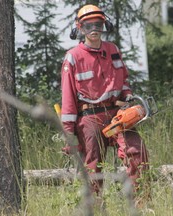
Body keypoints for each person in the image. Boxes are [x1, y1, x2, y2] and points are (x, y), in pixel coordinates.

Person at [60, 4, 149, 196]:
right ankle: (95, 207)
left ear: (104, 25)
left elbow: (123, 80)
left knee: (137, 152)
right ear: (79, 28)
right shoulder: (73, 58)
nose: (94, 30)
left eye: (98, 25)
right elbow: (68, 100)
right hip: (89, 117)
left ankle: (142, 203)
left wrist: (127, 96)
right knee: (92, 167)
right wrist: (69, 135)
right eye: (88, 26)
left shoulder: (112, 50)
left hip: (116, 114)